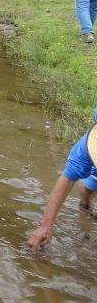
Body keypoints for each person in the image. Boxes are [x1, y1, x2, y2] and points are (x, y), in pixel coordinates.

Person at [28, 106, 97, 249]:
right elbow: (68, 178)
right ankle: (86, 204)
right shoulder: (86, 148)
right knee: (88, 189)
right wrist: (46, 225)